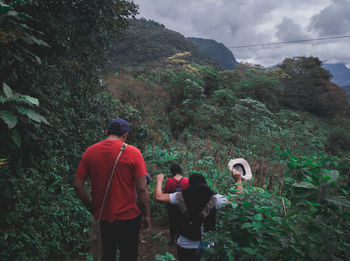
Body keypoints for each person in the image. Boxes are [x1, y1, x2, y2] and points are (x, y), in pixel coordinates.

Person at [74, 118, 150, 261]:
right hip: (128, 218)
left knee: (107, 255)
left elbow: (78, 184)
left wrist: (91, 206)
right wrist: (146, 214)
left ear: (106, 132)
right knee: (128, 255)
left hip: (103, 217)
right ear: (125, 135)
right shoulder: (133, 152)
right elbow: (142, 189)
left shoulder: (90, 152)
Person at [155, 170, 243, 261]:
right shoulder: (215, 198)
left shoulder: (180, 196)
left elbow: (159, 197)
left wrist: (159, 181)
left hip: (185, 244)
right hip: (207, 245)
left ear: (189, 184)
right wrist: (238, 180)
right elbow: (238, 201)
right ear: (205, 183)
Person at [163, 164, 190, 245]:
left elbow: (165, 193)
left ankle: (172, 239)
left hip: (172, 205)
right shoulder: (186, 180)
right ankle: (181, 239)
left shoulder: (169, 181)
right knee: (182, 221)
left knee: (172, 222)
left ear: (172, 171)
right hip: (183, 205)